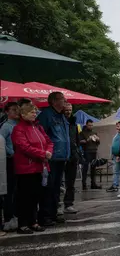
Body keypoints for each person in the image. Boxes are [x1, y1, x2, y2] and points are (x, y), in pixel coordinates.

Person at [12, 103, 53, 234]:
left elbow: (49, 142)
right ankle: (23, 223)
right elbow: (23, 147)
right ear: (23, 115)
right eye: (31, 112)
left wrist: (48, 152)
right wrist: (43, 154)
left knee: (36, 196)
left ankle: (33, 221)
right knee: (25, 197)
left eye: (35, 112)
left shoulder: (38, 127)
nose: (34, 114)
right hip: (26, 168)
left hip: (40, 166)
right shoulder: (19, 129)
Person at [37, 92, 70, 226]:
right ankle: (45, 216)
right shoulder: (46, 115)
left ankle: (53, 213)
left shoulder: (61, 116)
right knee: (48, 187)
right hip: (52, 157)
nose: (65, 101)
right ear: (55, 101)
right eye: (63, 99)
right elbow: (41, 135)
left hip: (61, 157)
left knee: (56, 187)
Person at [0, 102, 19, 231]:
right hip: (10, 160)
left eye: (17, 109)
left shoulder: (19, 125)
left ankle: (15, 214)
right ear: (7, 112)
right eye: (13, 110)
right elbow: (1, 141)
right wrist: (11, 152)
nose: (16, 112)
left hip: (19, 160)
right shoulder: (6, 126)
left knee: (17, 189)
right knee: (10, 190)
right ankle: (8, 216)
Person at [63, 103, 81, 214]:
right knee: (56, 183)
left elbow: (77, 140)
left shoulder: (74, 124)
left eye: (70, 110)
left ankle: (69, 203)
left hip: (73, 156)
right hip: (61, 156)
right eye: (66, 110)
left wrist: (77, 153)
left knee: (70, 182)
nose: (68, 112)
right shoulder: (59, 122)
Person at [80, 119, 101, 190]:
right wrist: (87, 140)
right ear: (86, 125)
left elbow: (98, 143)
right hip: (86, 151)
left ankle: (93, 184)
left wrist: (98, 139)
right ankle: (84, 184)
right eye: (89, 125)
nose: (91, 126)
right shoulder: (82, 133)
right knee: (85, 168)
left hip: (94, 151)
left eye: (92, 125)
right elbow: (80, 141)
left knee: (93, 168)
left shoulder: (94, 132)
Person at [106, 121, 120, 193]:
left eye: (119, 126)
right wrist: (112, 155)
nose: (117, 128)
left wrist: (119, 155)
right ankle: (115, 185)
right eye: (117, 126)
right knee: (116, 172)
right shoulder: (116, 135)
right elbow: (114, 146)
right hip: (115, 157)